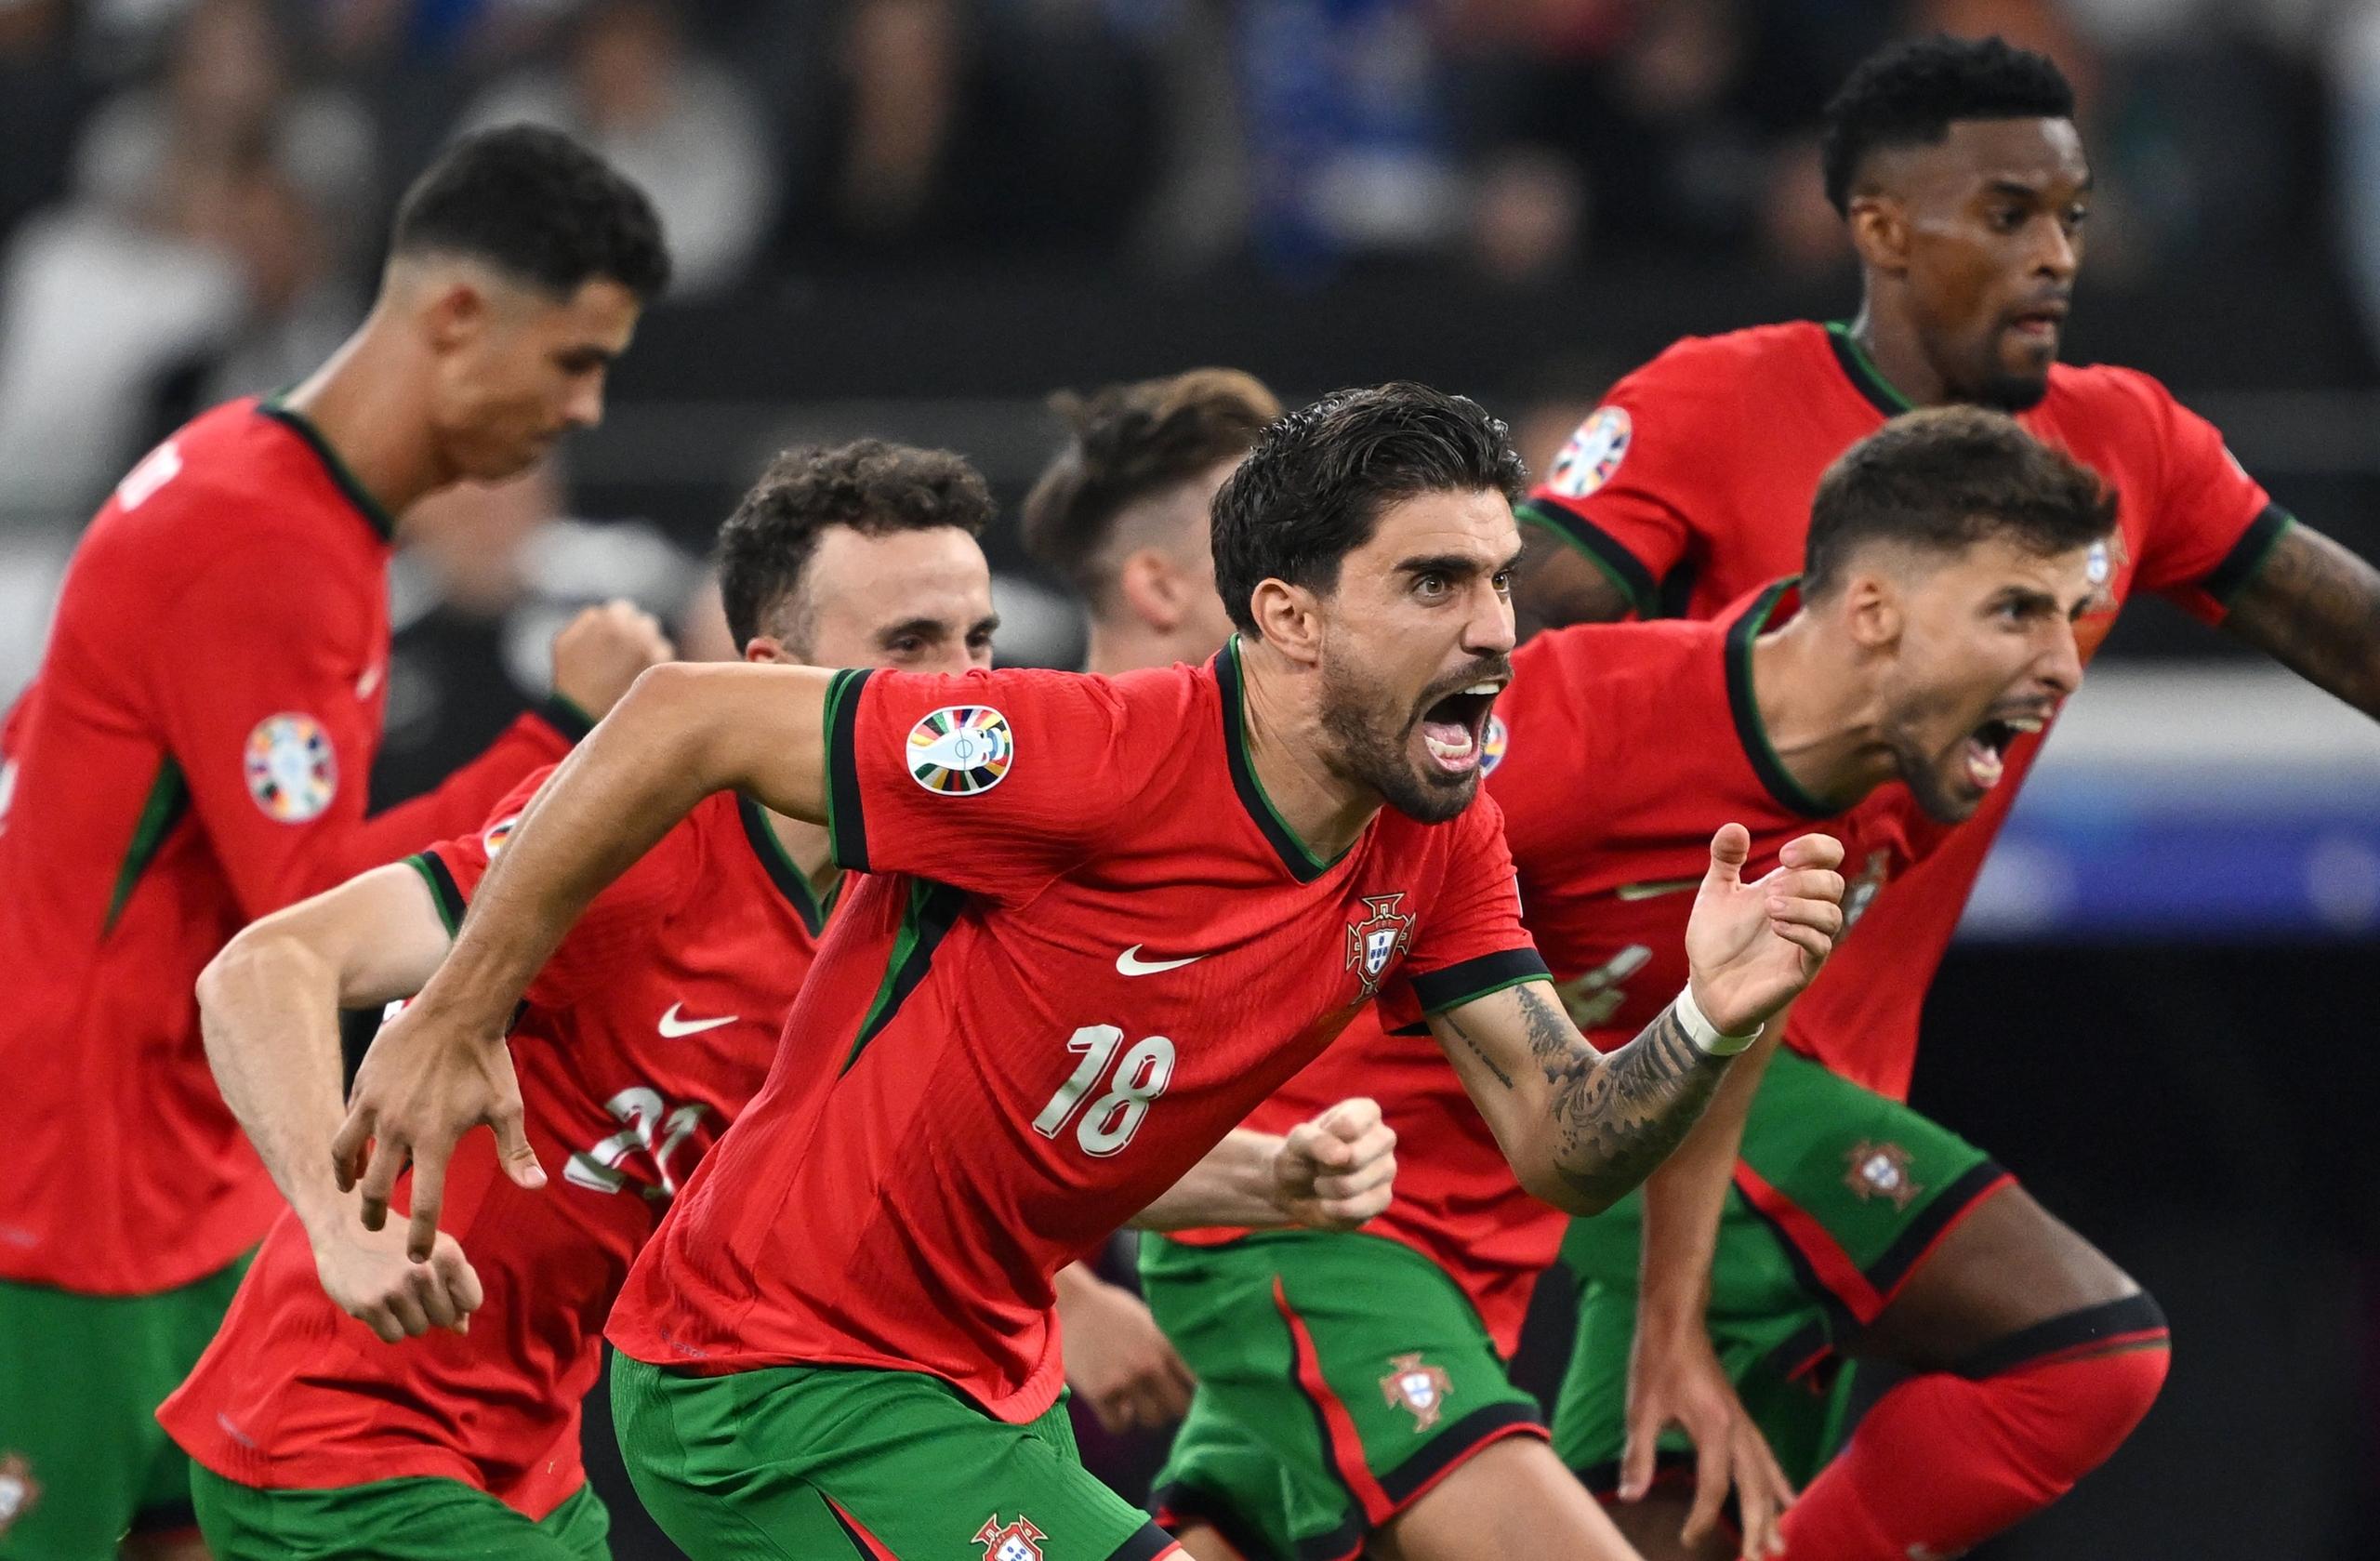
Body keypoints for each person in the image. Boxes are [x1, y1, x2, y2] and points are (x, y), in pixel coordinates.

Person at [327, 382, 1850, 1559]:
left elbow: (1562, 1137)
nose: (1497, 631)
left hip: (982, 1378)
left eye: (1501, 581)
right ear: (1290, 619)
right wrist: (461, 1006)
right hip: (775, 1370)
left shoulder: (1437, 847)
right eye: (1437, 585)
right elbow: (674, 718)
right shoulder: (1075, 755)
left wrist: (1709, 1008)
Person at [152, 439, 1397, 1560]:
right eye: (910, 645)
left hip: (535, 1470)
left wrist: (1271, 1174)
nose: (964, 685)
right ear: (774, 670)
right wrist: (337, 1217)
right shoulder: (638, 852)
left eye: (979, 643)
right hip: (337, 1439)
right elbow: (266, 965)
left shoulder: (933, 894)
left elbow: (1013, 1138)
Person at [1511, 34, 2380, 1560]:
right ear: (1884, 226)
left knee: (1661, 1519)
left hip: (1828, 1078)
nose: (2054, 255)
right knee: (2083, 1344)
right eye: (2007, 213)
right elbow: (1492, 655)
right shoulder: (1716, 405)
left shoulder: (2127, 443)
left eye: (2072, 217)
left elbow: (2347, 628)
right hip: (1666, 1060)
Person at [1133, 406, 2110, 1561]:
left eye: (2075, 613)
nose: (2063, 661)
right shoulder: (1584, 721)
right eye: (2017, 609)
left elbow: (1734, 1041)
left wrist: (1671, 1315)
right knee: (2099, 1345)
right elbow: (1302, 843)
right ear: (1873, 612)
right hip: (1318, 1222)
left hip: (1477, 1256)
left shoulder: (1881, 792)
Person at [0, 125, 671, 1561]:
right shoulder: (266, 543)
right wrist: (561, 738)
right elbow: (308, 927)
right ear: (456, 317)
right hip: (66, 1199)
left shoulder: (251, 487)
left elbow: (41, 757)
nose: (588, 410)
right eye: (574, 359)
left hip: (168, 1170)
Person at [1019, 364, 1284, 1437]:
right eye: (1268, 552)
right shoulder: (1008, 796)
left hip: (1256, 1354)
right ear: (1159, 587)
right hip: (1026, 1377)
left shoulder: (1309, 812)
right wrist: (1065, 1301)